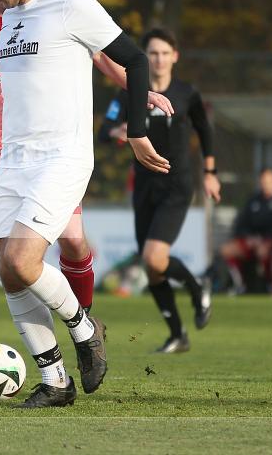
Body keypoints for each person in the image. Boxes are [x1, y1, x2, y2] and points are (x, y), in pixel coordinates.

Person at [0, 0, 173, 389]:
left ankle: (84, 324)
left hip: (40, 152)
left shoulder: (46, 8)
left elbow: (98, 52)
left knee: (73, 242)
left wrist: (136, 91)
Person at [0, 0, 170, 408]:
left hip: (62, 156)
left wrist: (137, 130)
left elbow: (134, 60)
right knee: (8, 270)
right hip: (13, 158)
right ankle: (55, 382)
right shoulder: (11, 18)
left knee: (23, 260)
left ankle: (85, 328)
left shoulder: (71, 4)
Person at [99, 28, 218, 353]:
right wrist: (118, 131)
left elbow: (205, 131)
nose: (159, 59)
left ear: (175, 56)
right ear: (144, 57)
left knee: (154, 257)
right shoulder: (128, 92)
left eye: (165, 53)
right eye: (153, 53)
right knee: (152, 266)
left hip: (177, 185)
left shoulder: (186, 93)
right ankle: (178, 334)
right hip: (144, 184)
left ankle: (196, 288)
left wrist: (210, 172)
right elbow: (104, 129)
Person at [219, 167, 272, 294]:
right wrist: (249, 237)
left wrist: (267, 240)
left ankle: (270, 285)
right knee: (226, 250)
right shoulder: (253, 199)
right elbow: (242, 223)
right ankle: (239, 284)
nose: (266, 184)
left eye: (269, 180)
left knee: (263, 251)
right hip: (253, 241)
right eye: (263, 181)